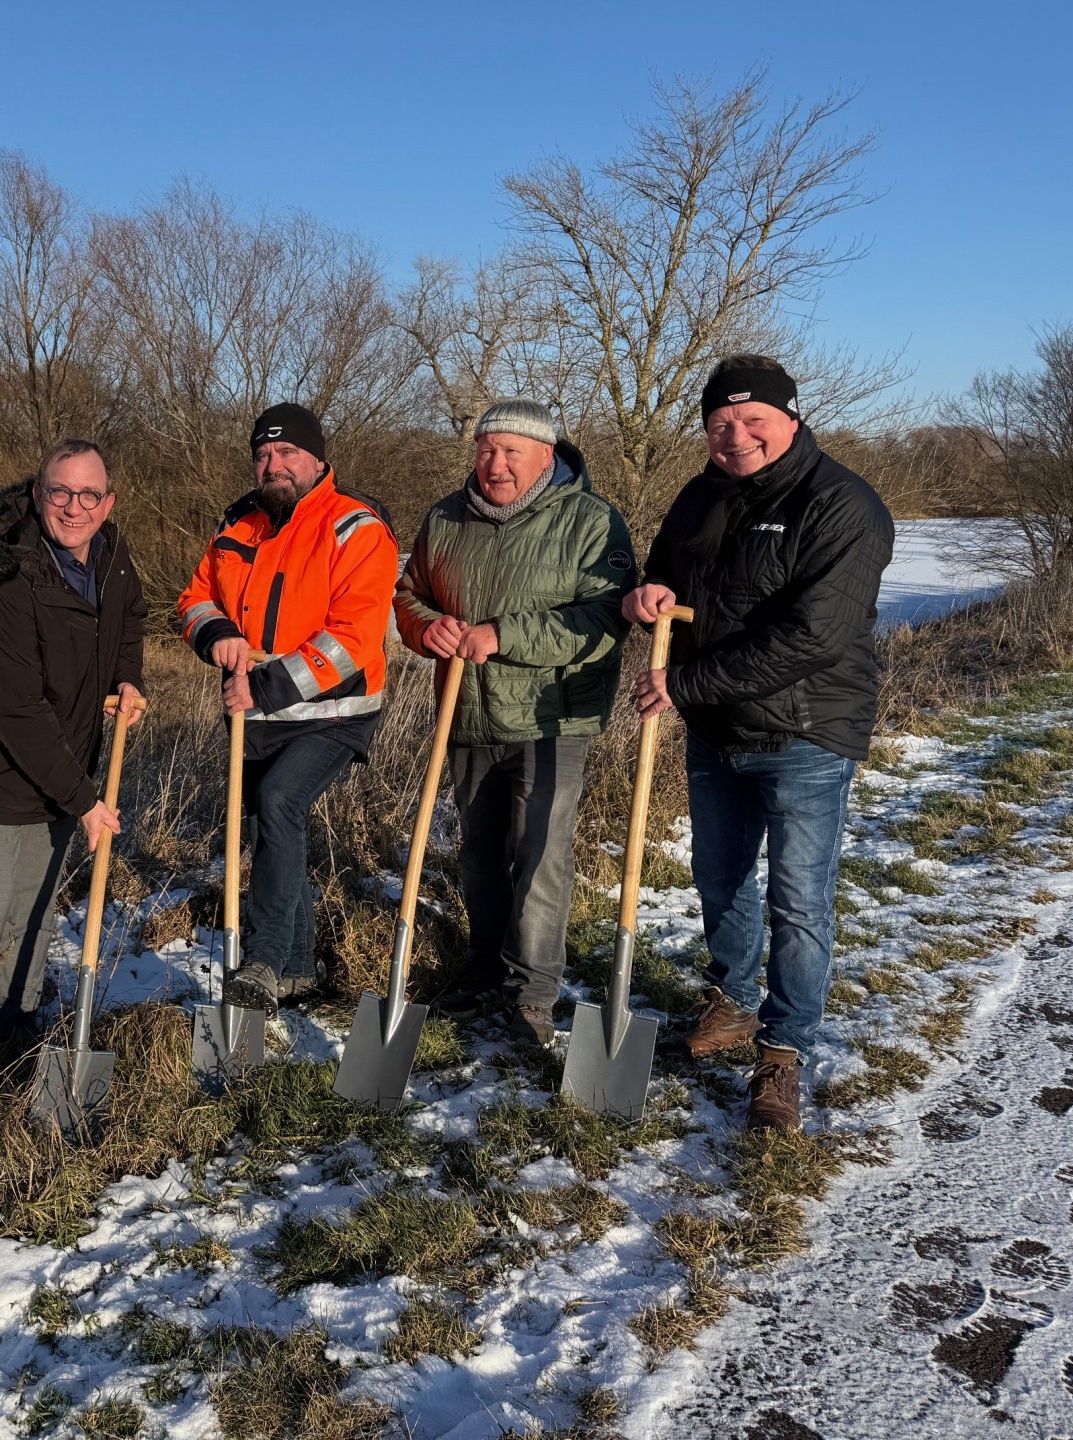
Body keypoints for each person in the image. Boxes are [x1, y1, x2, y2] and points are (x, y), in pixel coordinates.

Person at [625, 354, 892, 1131]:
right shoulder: (700, 494)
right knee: (720, 877)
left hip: (806, 728)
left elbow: (813, 636)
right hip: (718, 729)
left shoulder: (844, 504)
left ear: (792, 418)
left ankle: (784, 1050)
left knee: (798, 898)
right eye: (719, 425)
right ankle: (733, 1000)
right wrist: (650, 596)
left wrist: (684, 685)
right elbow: (665, 574)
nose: (736, 437)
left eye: (753, 422)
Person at [394, 399, 634, 1045]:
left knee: (540, 856)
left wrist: (506, 634)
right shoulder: (445, 516)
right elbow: (409, 594)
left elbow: (605, 621)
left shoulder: (591, 521)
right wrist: (426, 627)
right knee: (479, 854)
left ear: (545, 459)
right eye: (485, 450)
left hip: (552, 714)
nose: (495, 465)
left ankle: (532, 991)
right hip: (467, 708)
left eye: (511, 453)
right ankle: (483, 970)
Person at [0, 441, 146, 1070]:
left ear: (106, 504)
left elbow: (129, 617)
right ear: (37, 494)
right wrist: (84, 801)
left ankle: (11, 1029)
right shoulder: (5, 578)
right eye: (60, 492)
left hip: (64, 769)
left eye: (88, 495)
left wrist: (128, 677)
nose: (73, 508)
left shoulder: (113, 558)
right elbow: (17, 711)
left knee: (35, 915)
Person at [178, 403, 397, 1011]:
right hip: (254, 717)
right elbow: (195, 596)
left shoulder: (356, 527)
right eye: (263, 455)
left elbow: (353, 639)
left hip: (334, 711)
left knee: (280, 803)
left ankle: (266, 959)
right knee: (275, 829)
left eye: (287, 453)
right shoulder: (238, 524)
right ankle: (301, 970)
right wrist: (215, 630)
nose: (274, 465)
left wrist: (266, 686)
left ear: (317, 458)